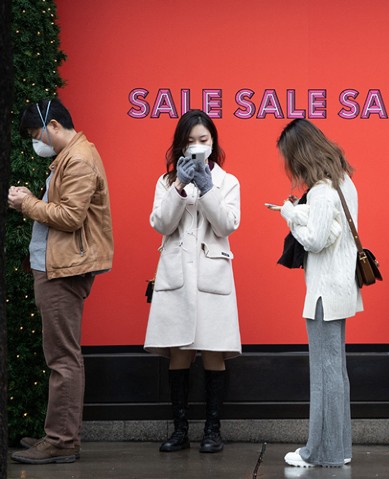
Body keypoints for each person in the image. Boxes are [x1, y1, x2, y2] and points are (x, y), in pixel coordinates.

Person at [9, 98, 114, 464]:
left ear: (53, 125)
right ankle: (57, 433)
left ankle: (62, 440)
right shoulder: (70, 156)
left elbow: (69, 216)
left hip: (64, 270)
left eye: (37, 134)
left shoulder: (80, 159)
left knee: (63, 358)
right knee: (59, 356)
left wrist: (26, 202)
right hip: (56, 266)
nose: (36, 142)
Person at [144, 109, 242, 454]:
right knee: (179, 353)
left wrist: (207, 188)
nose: (197, 146)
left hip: (213, 276)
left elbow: (227, 225)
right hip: (177, 276)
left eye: (203, 140)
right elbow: (161, 224)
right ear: (180, 145)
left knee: (214, 353)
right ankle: (180, 430)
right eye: (190, 141)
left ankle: (212, 431)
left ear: (213, 142)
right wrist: (180, 187)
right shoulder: (166, 181)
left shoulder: (228, 181)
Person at [270, 119, 361, 468]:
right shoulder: (344, 184)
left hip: (324, 290)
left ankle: (319, 452)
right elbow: (332, 230)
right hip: (340, 288)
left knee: (324, 373)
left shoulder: (322, 190)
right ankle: (340, 447)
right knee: (336, 370)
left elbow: (316, 240)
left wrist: (291, 214)